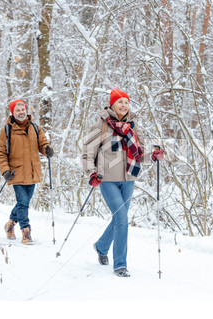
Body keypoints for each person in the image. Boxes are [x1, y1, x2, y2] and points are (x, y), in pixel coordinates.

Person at [81, 87, 163, 277]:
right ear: (112, 104)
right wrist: (92, 173)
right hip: (107, 179)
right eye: (120, 102)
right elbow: (87, 152)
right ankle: (120, 265)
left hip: (128, 179)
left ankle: (101, 247)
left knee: (121, 219)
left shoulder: (132, 126)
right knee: (122, 219)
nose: (124, 105)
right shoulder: (101, 126)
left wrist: (154, 156)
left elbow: (139, 155)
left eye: (126, 102)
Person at [0, 100, 54, 244]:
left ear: (26, 110)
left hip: (33, 172)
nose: (21, 112)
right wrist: (5, 171)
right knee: (22, 202)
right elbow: (1, 152)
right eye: (17, 110)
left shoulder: (35, 127)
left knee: (24, 202)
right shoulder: (7, 130)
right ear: (12, 113)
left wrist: (47, 149)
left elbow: (43, 143)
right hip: (15, 173)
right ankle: (26, 232)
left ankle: (9, 225)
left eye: (23, 109)